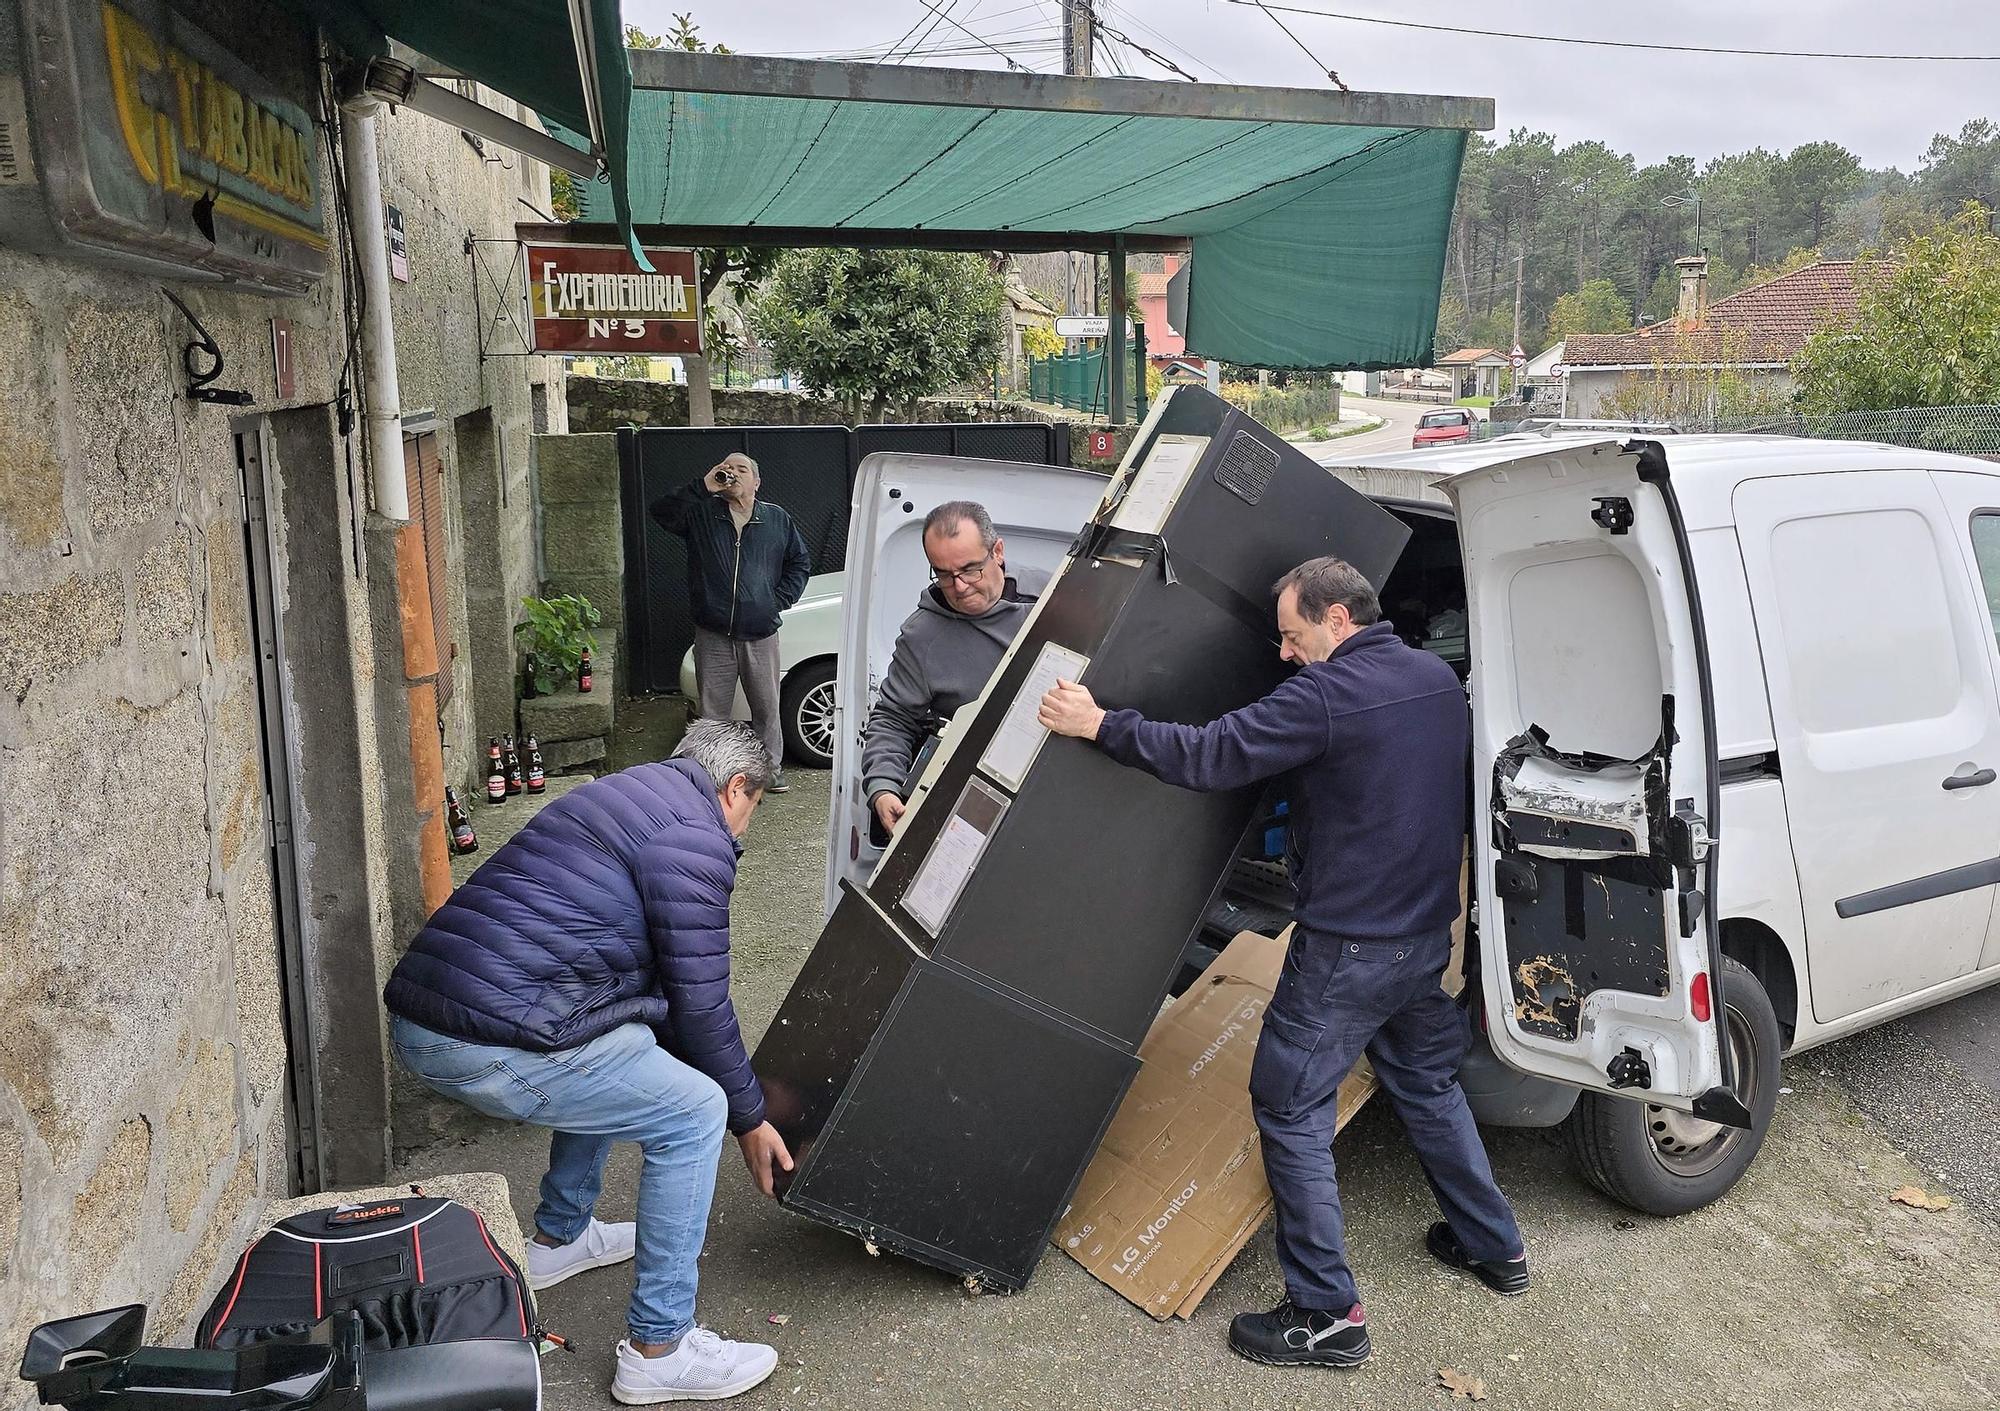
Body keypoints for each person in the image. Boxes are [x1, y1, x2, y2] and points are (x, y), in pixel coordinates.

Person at [1037, 556, 1526, 1370]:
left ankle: (1327, 1314)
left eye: (1295, 636)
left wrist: (1099, 723)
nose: (1287, 653)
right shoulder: (1438, 683)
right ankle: (1495, 1245)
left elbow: (1208, 755)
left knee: (1290, 1106)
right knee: (1428, 1085)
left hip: (1346, 952)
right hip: (1421, 942)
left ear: (1338, 620)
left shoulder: (1327, 695)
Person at [382, 719, 793, 1404]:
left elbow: (657, 997)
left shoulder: (635, 792)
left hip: (441, 1013)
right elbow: (701, 1001)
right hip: (476, 1038)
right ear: (736, 787)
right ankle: (660, 1349)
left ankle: (559, 1238)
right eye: (750, 810)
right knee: (695, 1111)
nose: (744, 831)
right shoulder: (696, 835)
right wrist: (749, 1116)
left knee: (626, 1047)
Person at [861, 501, 1046, 836]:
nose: (959, 586)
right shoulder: (921, 637)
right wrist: (883, 786)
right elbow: (893, 719)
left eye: (970, 569)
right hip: (974, 800)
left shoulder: (1053, 598)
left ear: (998, 551)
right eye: (944, 574)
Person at [651, 452, 811, 793]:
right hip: (714, 633)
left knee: (767, 707)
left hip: (760, 632)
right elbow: (660, 511)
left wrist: (776, 602)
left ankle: (770, 769)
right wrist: (703, 486)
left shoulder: (776, 519)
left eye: (741, 469)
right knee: (713, 712)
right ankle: (713, 772)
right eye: (726, 467)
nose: (732, 472)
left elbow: (799, 562)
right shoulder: (702, 515)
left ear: (756, 482)